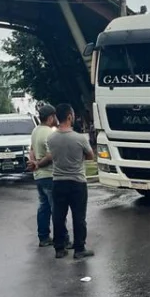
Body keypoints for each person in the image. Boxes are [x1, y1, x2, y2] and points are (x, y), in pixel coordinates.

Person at [36, 103, 96, 259]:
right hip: (77, 183)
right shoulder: (79, 138)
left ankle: (59, 248)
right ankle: (79, 249)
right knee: (79, 217)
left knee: (58, 216)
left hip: (58, 182)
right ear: (70, 116)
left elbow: (51, 157)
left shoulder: (51, 138)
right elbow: (90, 156)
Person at [28, 104, 69, 248]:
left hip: (38, 177)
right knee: (57, 209)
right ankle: (63, 239)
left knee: (43, 207)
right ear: (51, 117)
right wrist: (39, 163)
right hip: (50, 175)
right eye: (55, 116)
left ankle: (44, 237)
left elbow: (31, 149)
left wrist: (33, 163)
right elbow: (51, 155)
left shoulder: (35, 131)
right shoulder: (50, 133)